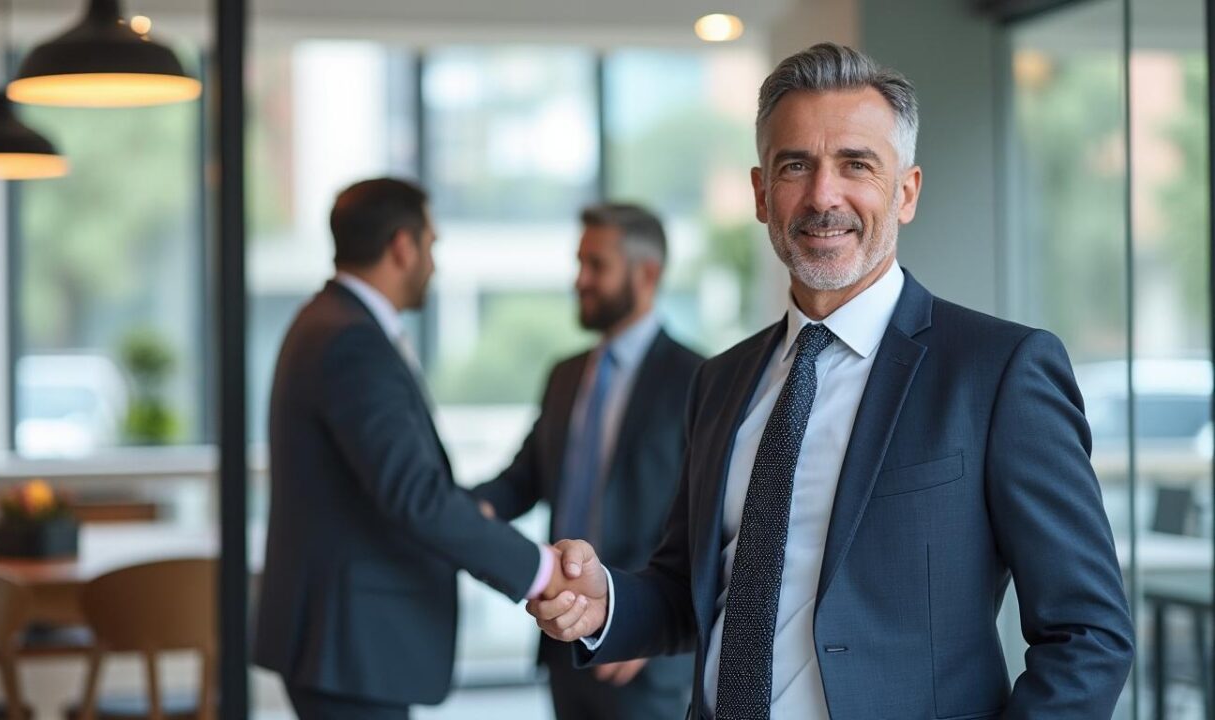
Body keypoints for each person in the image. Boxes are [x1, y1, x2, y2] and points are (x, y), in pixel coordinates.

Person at [527, 43, 1134, 719]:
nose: (823, 196)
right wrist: (606, 600)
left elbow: (1089, 635)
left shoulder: (997, 371)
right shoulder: (721, 382)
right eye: (796, 165)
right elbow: (688, 591)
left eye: (856, 165)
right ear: (761, 194)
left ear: (905, 192)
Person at [253, 178, 573, 719]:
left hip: (344, 642)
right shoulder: (351, 340)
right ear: (402, 246)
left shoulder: (327, 322)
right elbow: (413, 495)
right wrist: (538, 571)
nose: (434, 262)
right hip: (350, 646)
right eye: (431, 244)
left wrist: (473, 510)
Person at [471, 203, 701, 720]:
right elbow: (522, 479)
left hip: (642, 658)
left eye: (596, 265)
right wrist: (452, 511)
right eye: (579, 263)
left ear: (648, 274)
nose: (580, 280)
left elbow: (710, 526)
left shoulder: (699, 380)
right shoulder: (566, 376)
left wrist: (655, 634)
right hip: (561, 639)